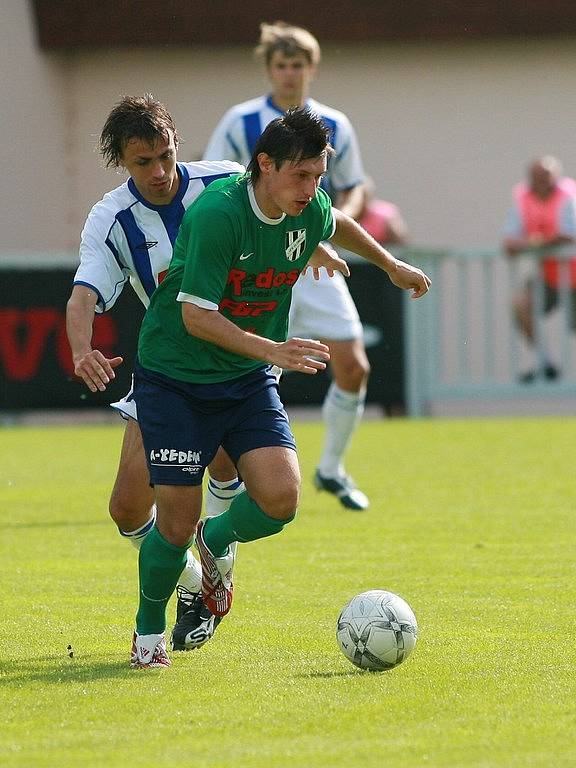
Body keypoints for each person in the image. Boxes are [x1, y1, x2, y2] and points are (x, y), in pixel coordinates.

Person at [130, 106, 431, 668]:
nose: (311, 188)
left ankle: (215, 539)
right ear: (263, 165)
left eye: (318, 176)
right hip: (176, 377)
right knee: (171, 523)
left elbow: (333, 219)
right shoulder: (219, 216)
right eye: (300, 175)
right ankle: (147, 637)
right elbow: (196, 318)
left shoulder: (307, 203)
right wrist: (273, 350)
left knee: (280, 500)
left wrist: (390, 265)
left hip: (243, 377)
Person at [66, 94, 246, 653]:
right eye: (143, 162)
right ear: (121, 160)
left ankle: (216, 576)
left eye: (166, 155)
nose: (160, 172)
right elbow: (83, 295)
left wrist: (312, 247)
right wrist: (81, 348)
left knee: (221, 459)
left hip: (234, 357)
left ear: (175, 143)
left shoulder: (225, 184)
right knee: (126, 508)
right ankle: (198, 579)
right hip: (167, 366)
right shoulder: (111, 218)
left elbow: (290, 205)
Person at [203, 21, 374, 511]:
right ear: (269, 70)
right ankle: (228, 486)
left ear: (312, 69)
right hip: (257, 261)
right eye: (281, 65)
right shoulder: (242, 121)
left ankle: (331, 469)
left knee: (354, 366)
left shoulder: (334, 123)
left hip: (311, 253)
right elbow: (216, 177)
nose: (290, 74)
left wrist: (333, 225)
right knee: (247, 370)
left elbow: (355, 184)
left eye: (298, 64)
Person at [503, 155, 576, 382]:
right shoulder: (522, 199)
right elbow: (509, 243)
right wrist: (542, 242)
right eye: (537, 177)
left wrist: (534, 242)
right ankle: (546, 363)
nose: (542, 181)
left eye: (547, 176)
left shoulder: (569, 196)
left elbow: (569, 236)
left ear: (556, 177)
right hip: (551, 277)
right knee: (521, 305)